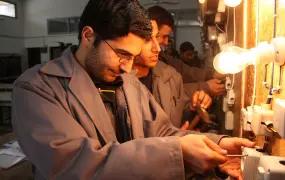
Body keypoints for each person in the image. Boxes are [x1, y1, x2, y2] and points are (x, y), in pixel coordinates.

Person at [12, 0, 254, 179]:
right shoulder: (37, 88)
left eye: (134, 56)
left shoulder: (128, 82)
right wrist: (177, 152)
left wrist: (218, 144)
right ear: (88, 36)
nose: (128, 67)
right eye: (121, 54)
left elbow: (164, 133)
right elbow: (76, 166)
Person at [133, 20, 212, 129]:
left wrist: (195, 105)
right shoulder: (116, 85)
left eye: (156, 37)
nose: (158, 48)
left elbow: (180, 117)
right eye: (147, 40)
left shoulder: (172, 76)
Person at [148, 6, 225, 96]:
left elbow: (183, 70)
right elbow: (165, 93)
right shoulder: (140, 66)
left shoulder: (162, 58)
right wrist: (205, 87)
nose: (166, 42)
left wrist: (210, 75)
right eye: (164, 36)